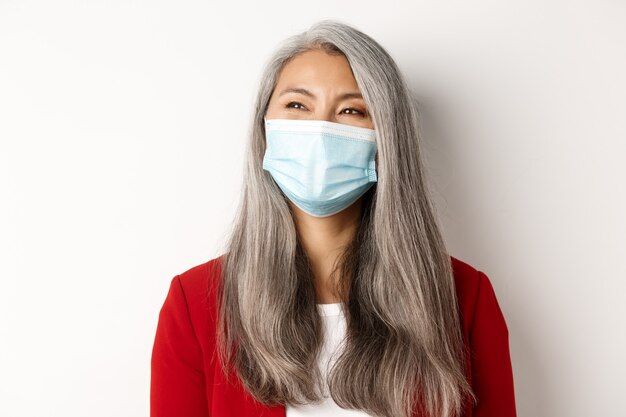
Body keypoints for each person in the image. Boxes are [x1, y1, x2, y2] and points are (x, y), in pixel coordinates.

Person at [150, 19, 517, 417]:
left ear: (387, 139)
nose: (320, 130)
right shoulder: (196, 304)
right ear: (264, 130)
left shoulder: (464, 298)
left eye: (351, 110)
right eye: (297, 105)